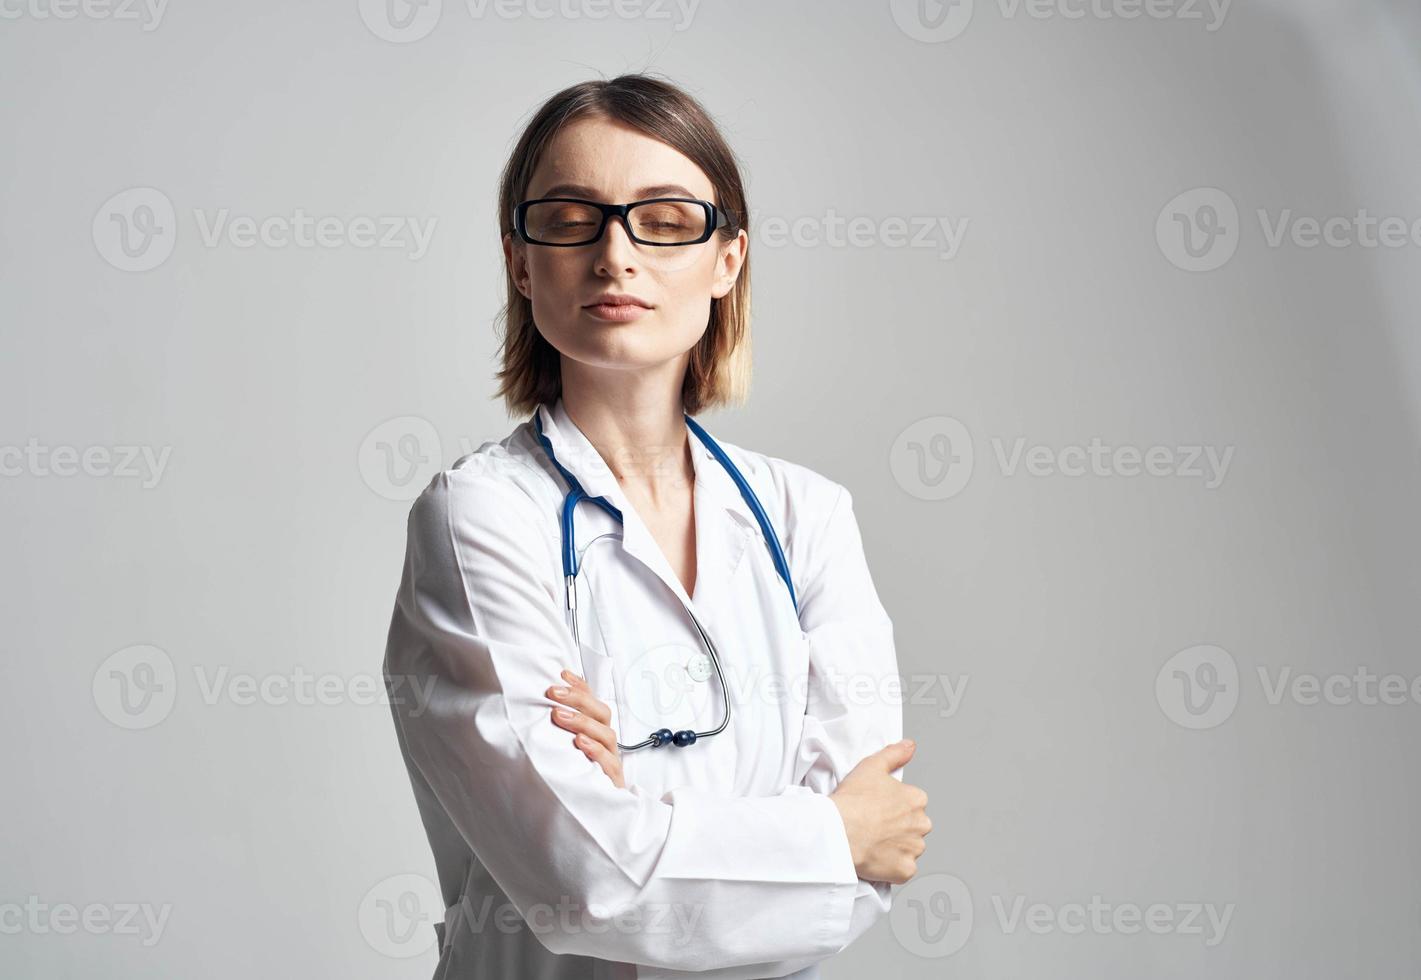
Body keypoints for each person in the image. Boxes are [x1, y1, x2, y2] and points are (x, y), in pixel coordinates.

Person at [382, 72, 931, 980]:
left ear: (727, 260)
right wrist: (822, 834)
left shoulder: (809, 518)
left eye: (666, 219)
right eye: (569, 218)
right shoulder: (476, 516)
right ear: (520, 261)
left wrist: (636, 805)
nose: (615, 254)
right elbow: (577, 886)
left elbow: (871, 875)